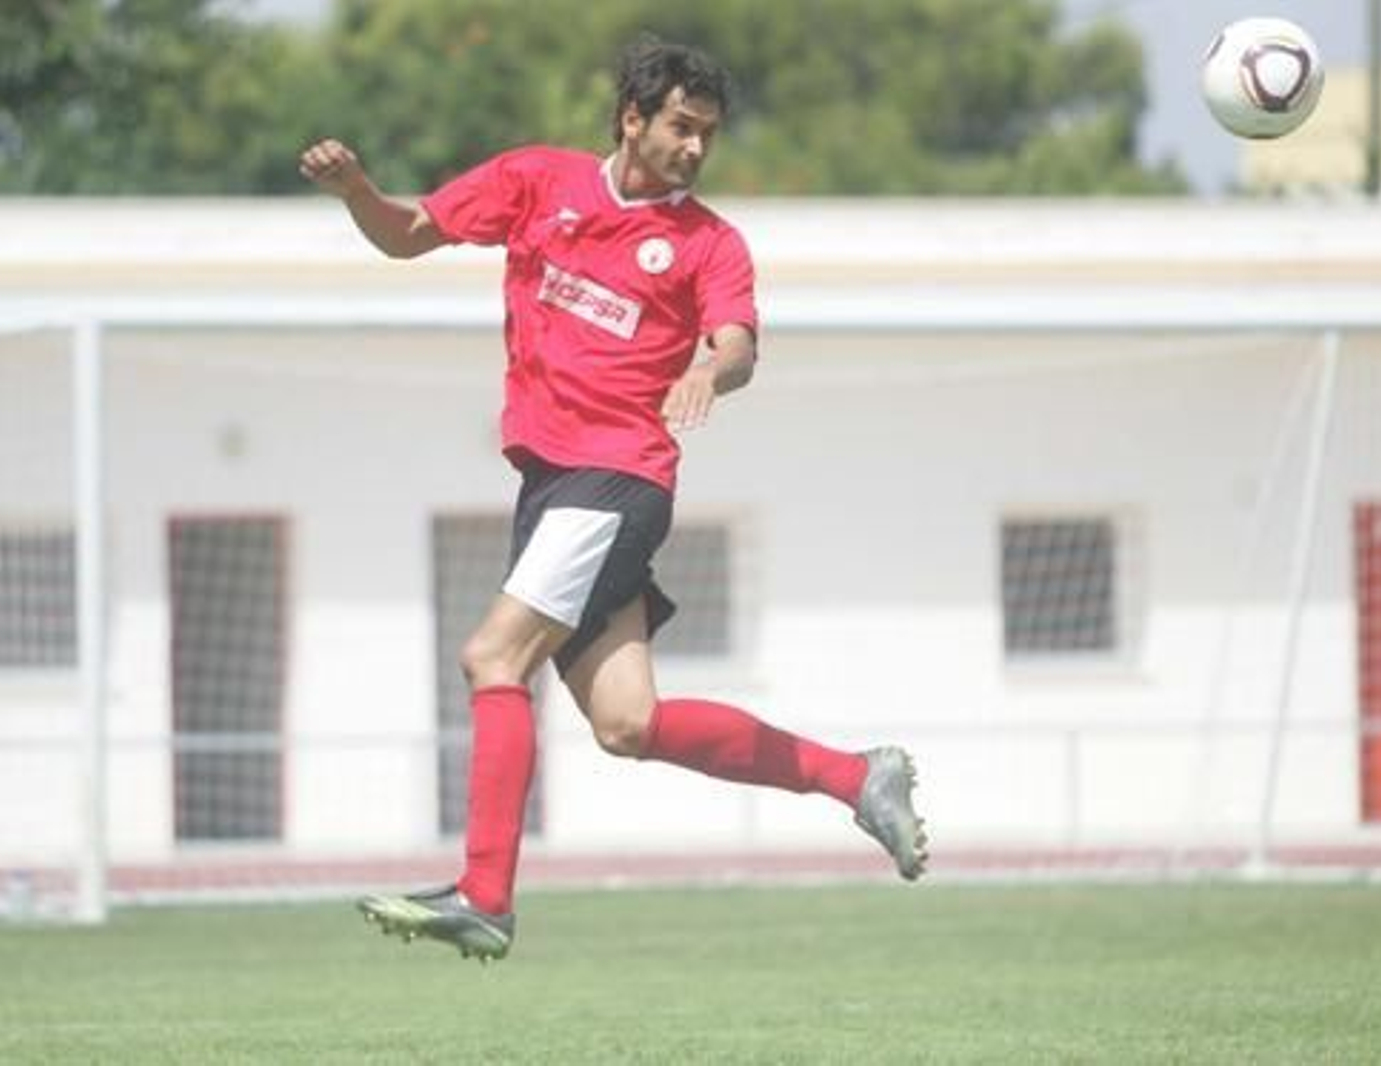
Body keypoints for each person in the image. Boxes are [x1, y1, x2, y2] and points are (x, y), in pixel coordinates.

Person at [299, 38, 927, 962]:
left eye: (708, 133)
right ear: (632, 117)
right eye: (681, 126)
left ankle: (485, 894)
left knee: (490, 658)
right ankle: (857, 777)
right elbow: (407, 234)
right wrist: (358, 189)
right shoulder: (534, 182)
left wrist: (715, 367)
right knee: (628, 723)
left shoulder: (711, 241)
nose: (695, 147)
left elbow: (739, 343)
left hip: (619, 478)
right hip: (555, 485)